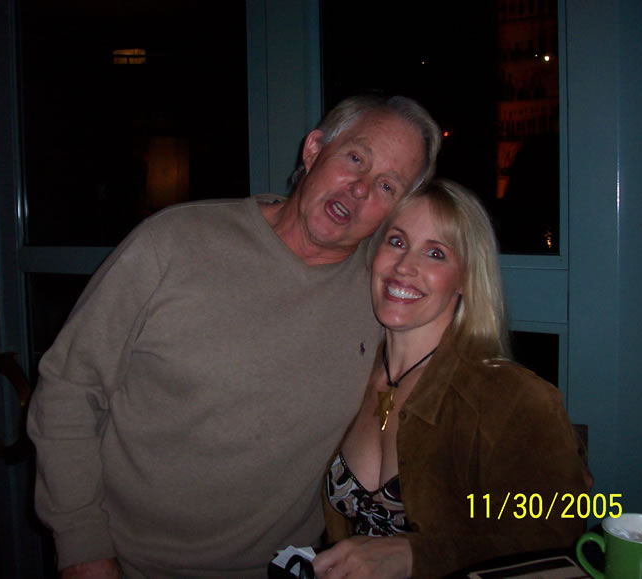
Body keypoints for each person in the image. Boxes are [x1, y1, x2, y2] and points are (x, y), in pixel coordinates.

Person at [27, 94, 441, 578]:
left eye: (387, 185)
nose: (360, 188)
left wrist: (419, 550)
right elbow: (69, 388)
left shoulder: (388, 297)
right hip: (125, 561)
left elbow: (482, 462)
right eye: (355, 158)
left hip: (279, 568)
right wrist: (82, 546)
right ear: (313, 150)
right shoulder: (174, 242)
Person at [313, 179, 588, 579]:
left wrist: (417, 556)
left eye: (435, 253)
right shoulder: (346, 374)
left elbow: (555, 536)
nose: (404, 266)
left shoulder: (513, 398)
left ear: (464, 279)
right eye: (396, 241)